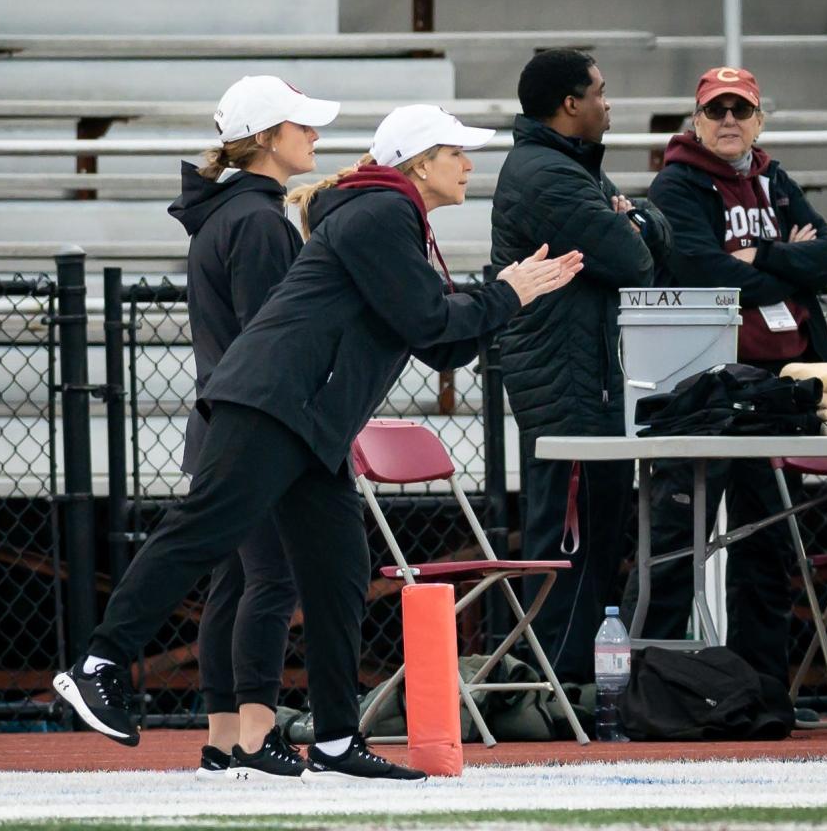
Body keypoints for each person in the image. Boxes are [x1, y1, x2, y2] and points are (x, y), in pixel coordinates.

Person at [55, 103, 583, 782]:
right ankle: (97, 664)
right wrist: (504, 294)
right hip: (274, 402)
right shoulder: (379, 214)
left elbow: (442, 348)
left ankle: (335, 738)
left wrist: (513, 296)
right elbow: (427, 319)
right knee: (201, 532)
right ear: (420, 162)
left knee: (337, 574)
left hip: (310, 418)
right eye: (457, 151)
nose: (470, 163)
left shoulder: (392, 217)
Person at [620, 66, 827, 685]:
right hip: (708, 388)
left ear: (758, 121)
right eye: (716, 111)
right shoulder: (678, 185)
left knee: (765, 544)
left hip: (783, 389)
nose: (728, 122)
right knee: (677, 538)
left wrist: (763, 257)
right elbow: (700, 269)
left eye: (740, 111)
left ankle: (761, 692)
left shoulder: (775, 177)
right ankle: (646, 690)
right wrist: (790, 265)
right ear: (697, 121)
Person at [167, 76, 339, 778]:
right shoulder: (260, 222)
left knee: (236, 583)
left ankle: (226, 736)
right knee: (270, 579)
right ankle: (257, 734)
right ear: (267, 138)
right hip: (255, 424)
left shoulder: (224, 215)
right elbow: (277, 339)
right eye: (302, 127)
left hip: (217, 419)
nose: (315, 138)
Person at [491, 48, 671, 683]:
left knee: (589, 547)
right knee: (573, 548)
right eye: (600, 90)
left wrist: (635, 223)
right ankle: (557, 695)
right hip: (567, 388)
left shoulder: (569, 168)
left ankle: (570, 692)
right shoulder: (551, 177)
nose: (608, 102)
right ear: (571, 104)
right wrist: (632, 227)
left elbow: (649, 234)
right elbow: (634, 260)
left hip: (580, 379)